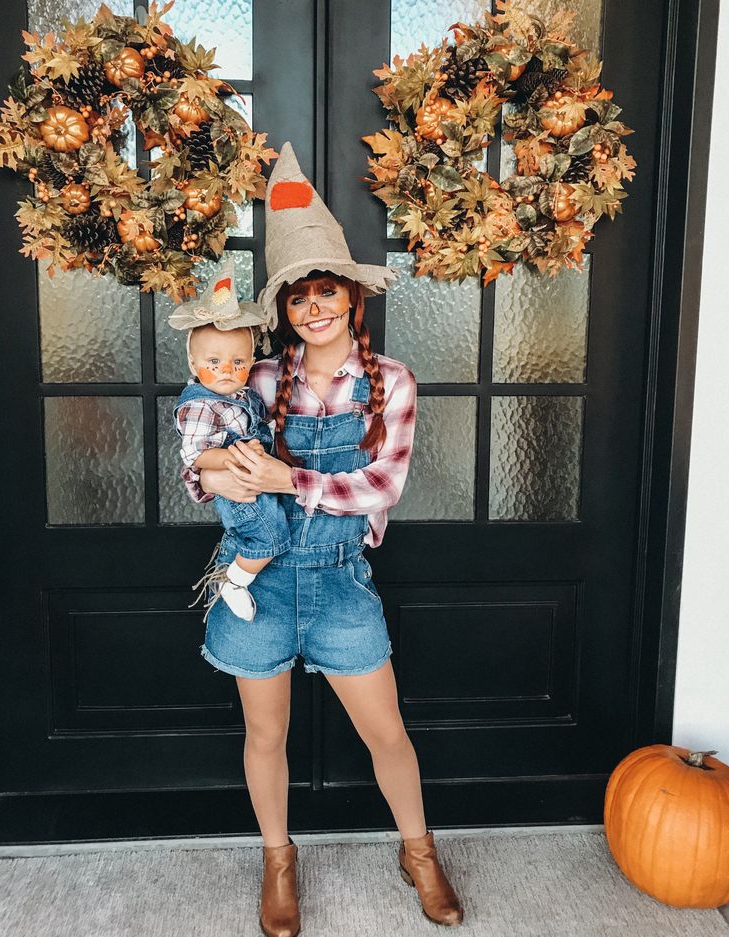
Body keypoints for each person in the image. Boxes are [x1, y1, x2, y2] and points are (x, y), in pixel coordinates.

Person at [181, 142, 464, 935]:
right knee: (264, 734)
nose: (314, 307)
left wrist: (283, 478)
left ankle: (419, 850)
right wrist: (217, 468)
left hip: (341, 580)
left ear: (351, 297)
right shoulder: (260, 380)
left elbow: (382, 487)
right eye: (299, 296)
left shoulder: (390, 383)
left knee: (388, 733)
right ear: (283, 309)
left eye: (326, 290)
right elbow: (202, 469)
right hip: (259, 584)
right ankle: (279, 858)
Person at [170, 258, 291, 621]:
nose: (227, 370)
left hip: (256, 485)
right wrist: (234, 456)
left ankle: (235, 578)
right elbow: (196, 457)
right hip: (240, 492)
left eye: (238, 362)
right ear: (193, 363)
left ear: (252, 361)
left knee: (263, 538)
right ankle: (232, 582)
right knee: (271, 540)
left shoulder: (245, 394)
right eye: (215, 361)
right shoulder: (200, 407)